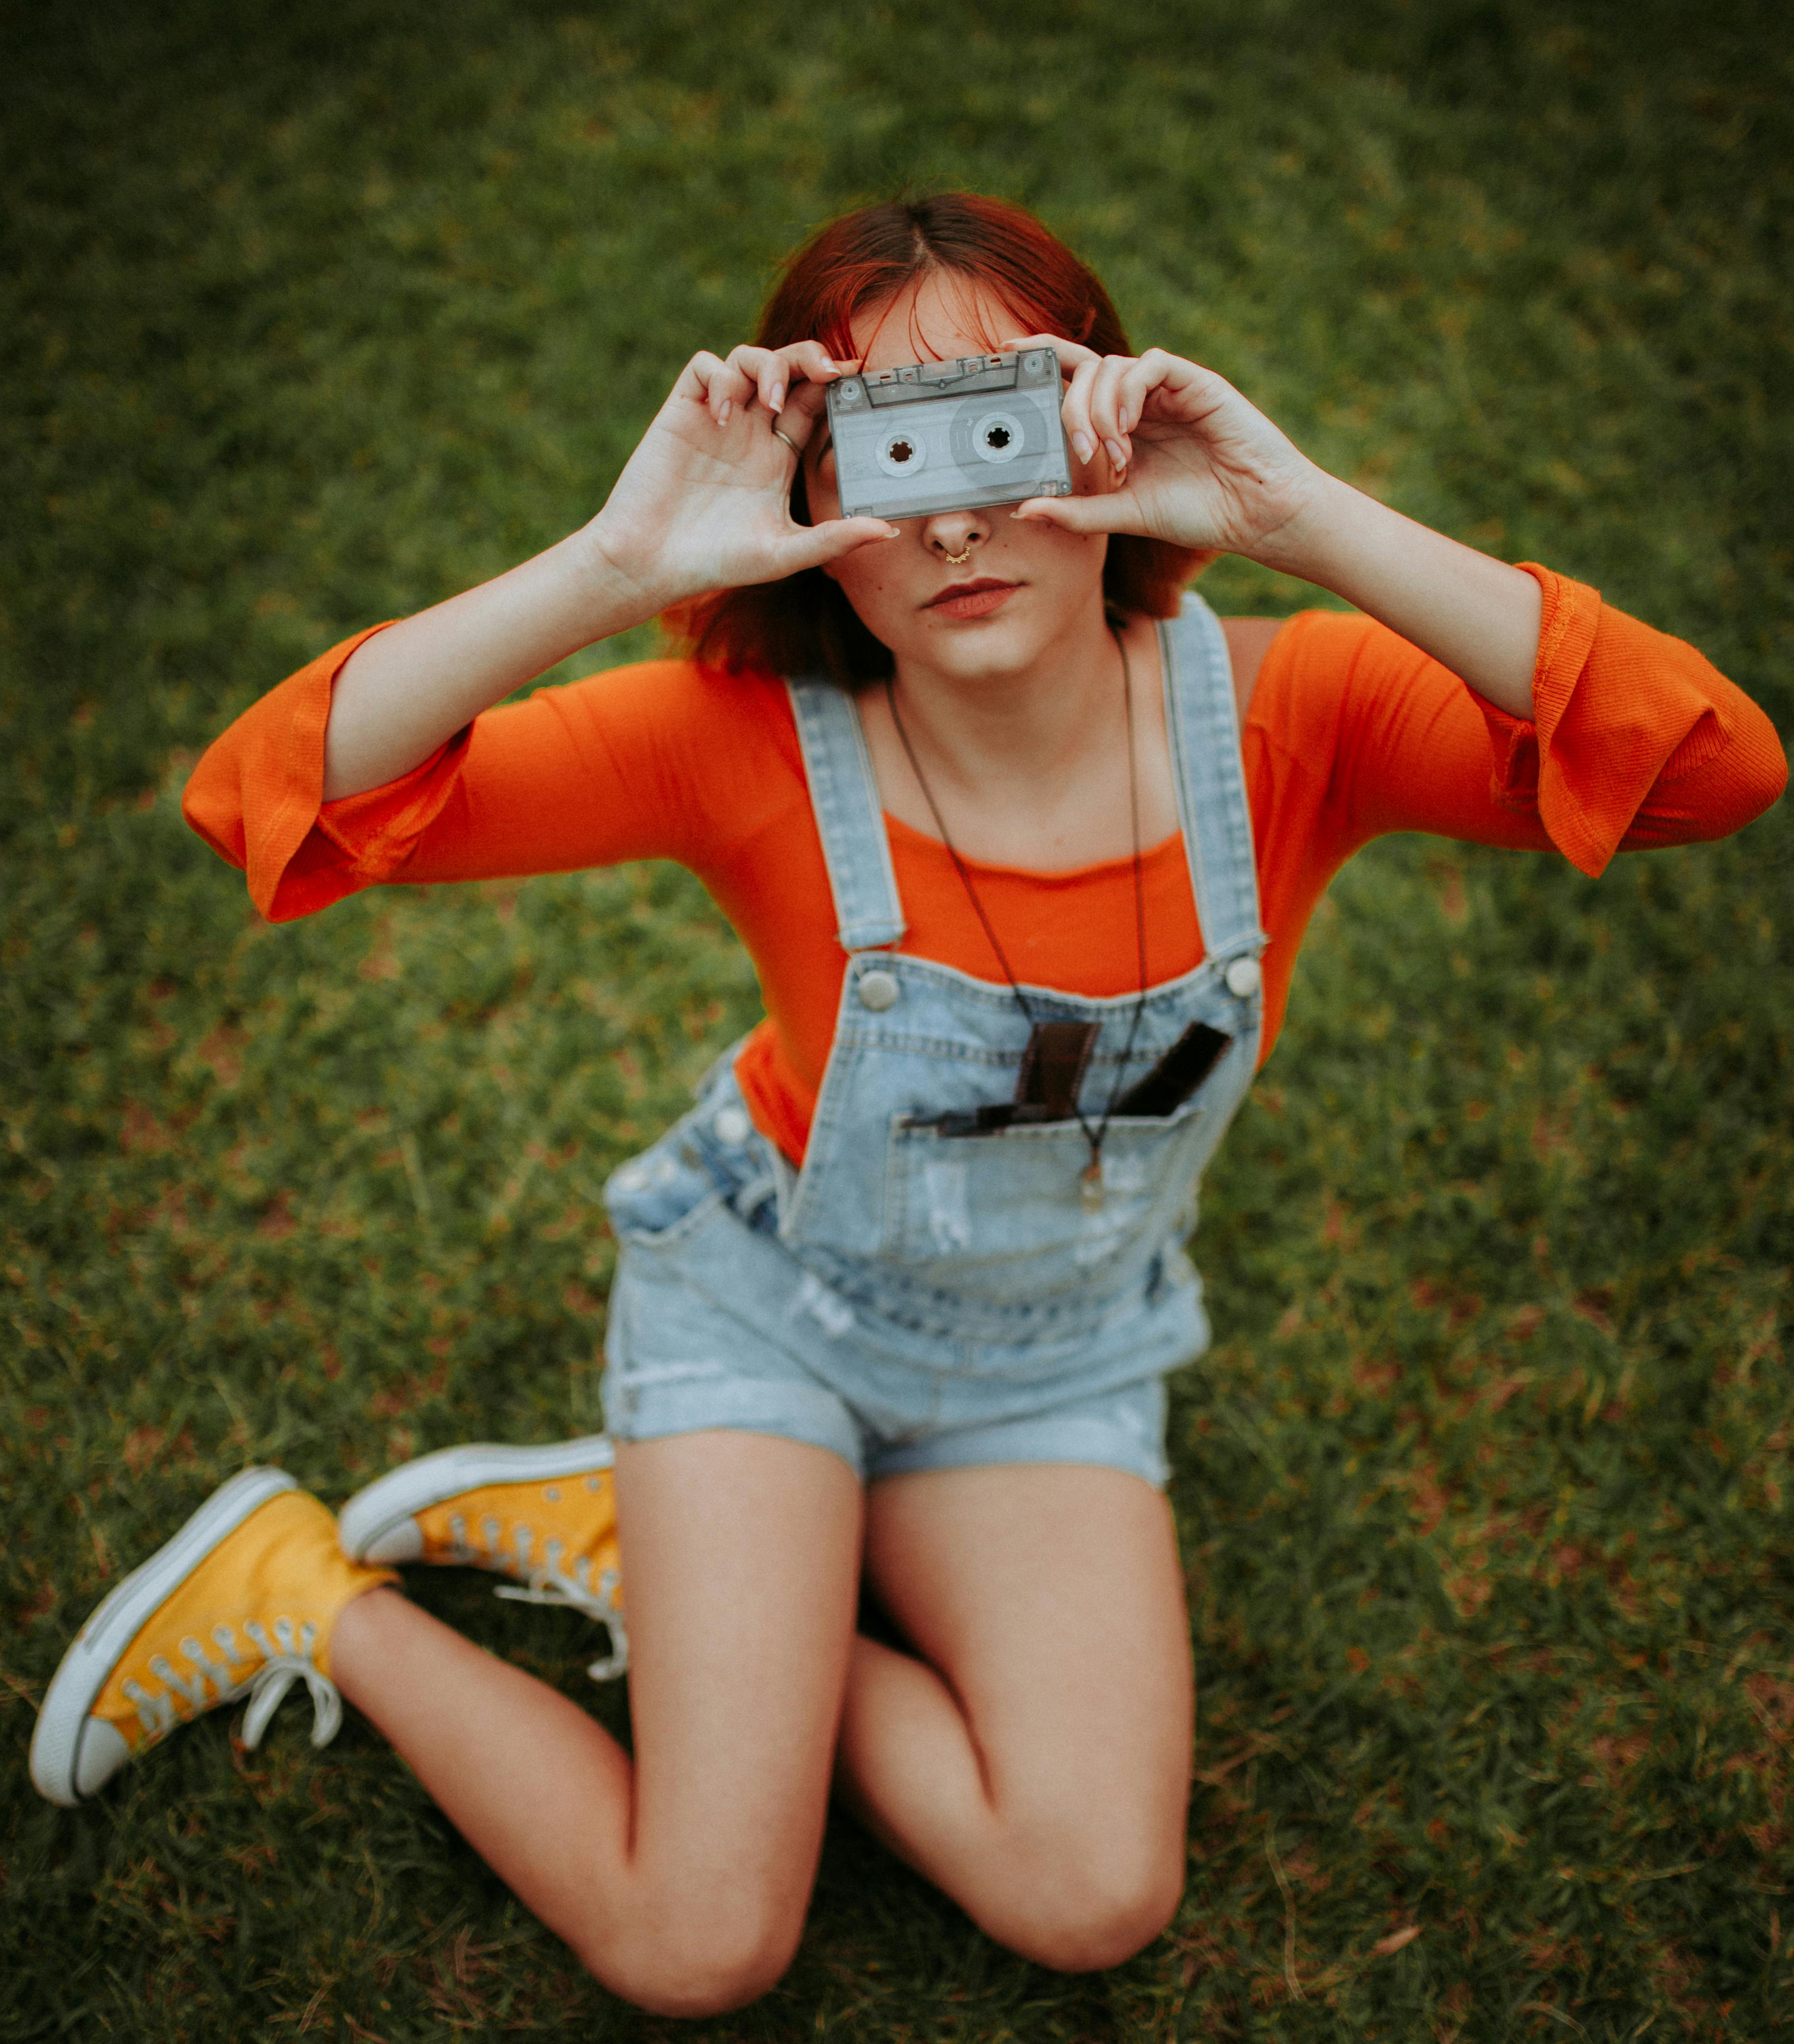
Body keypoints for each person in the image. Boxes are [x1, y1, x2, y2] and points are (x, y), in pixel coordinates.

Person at [30, 193, 1785, 2016]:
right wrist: (620, 563)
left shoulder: (1298, 716)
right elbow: (276, 794)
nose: (951, 518)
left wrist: (1305, 517)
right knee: (698, 1941)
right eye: (881, 457)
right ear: (811, 514)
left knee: (1094, 1887)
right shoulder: (741, 746)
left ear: (1115, 421)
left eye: (1002, 430)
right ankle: (310, 1589)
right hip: (769, 1312)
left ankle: (675, 1563)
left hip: (1056, 1358)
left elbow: (1711, 770)